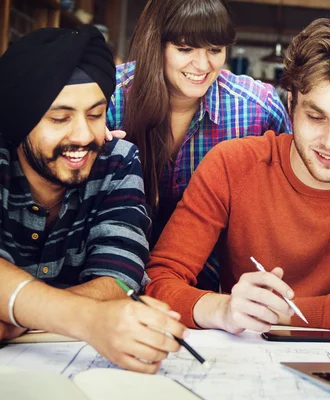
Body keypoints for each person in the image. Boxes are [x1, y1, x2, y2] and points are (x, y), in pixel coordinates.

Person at [144, 16, 330, 334]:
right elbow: (159, 282)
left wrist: (279, 315)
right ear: (291, 103)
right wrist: (223, 309)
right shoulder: (231, 165)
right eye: (316, 116)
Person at [0, 25, 187, 373]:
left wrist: (13, 318)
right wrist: (86, 318)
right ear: (18, 119)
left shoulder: (116, 161)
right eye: (60, 118)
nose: (85, 135)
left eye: (95, 114)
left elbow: (118, 281)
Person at [106, 0, 292, 251]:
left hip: (215, 272)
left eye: (214, 50)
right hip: (111, 257)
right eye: (185, 49)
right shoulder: (107, 97)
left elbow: (290, 198)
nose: (203, 66)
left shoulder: (259, 107)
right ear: (155, 44)